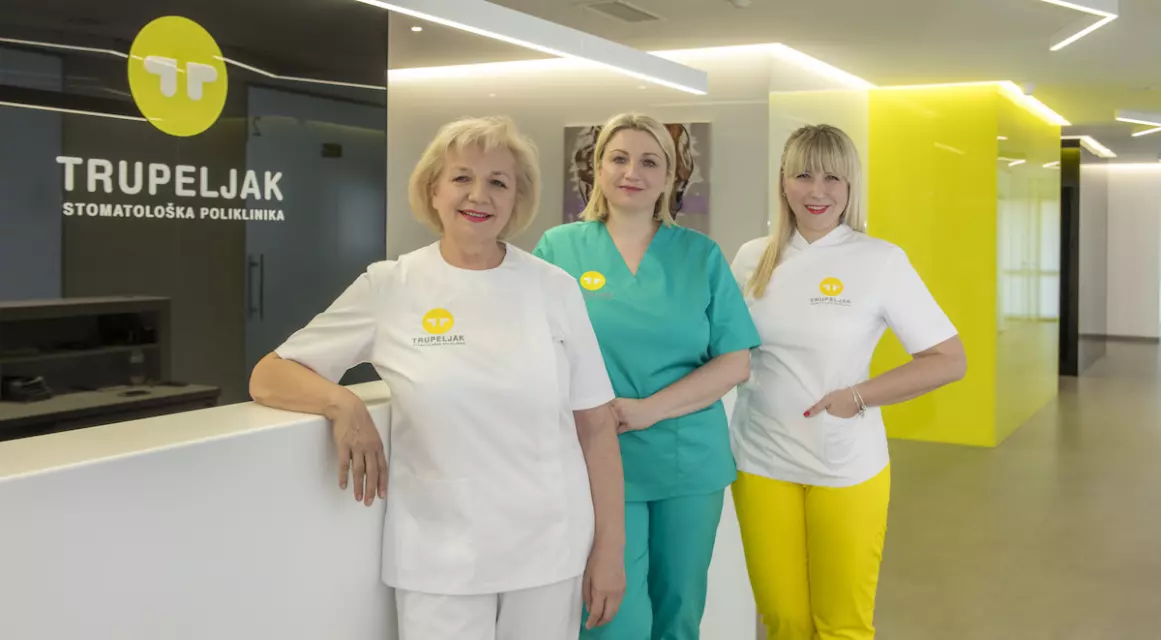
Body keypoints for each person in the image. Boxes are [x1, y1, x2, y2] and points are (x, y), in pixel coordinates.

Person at [248, 116, 627, 640]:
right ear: (433, 189)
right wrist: (342, 404)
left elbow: (597, 427)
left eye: (498, 182)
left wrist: (610, 550)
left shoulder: (554, 288)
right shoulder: (391, 285)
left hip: (549, 549)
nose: (479, 195)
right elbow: (270, 374)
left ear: (517, 198)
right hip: (440, 557)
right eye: (461, 177)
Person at [729, 124, 968, 640]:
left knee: (840, 625)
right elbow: (725, 349)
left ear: (850, 184)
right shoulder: (751, 257)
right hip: (760, 459)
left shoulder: (880, 260)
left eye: (832, 177)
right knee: (783, 620)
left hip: (844, 465)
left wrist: (857, 397)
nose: (817, 191)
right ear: (783, 181)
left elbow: (948, 359)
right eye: (803, 176)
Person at [533, 112, 760, 640]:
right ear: (598, 168)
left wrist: (647, 410)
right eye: (618, 158)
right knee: (610, 618)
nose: (632, 172)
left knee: (679, 612)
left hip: (688, 462)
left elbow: (735, 361)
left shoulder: (700, 255)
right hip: (595, 459)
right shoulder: (558, 250)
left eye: (650, 161)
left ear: (670, 177)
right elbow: (531, 349)